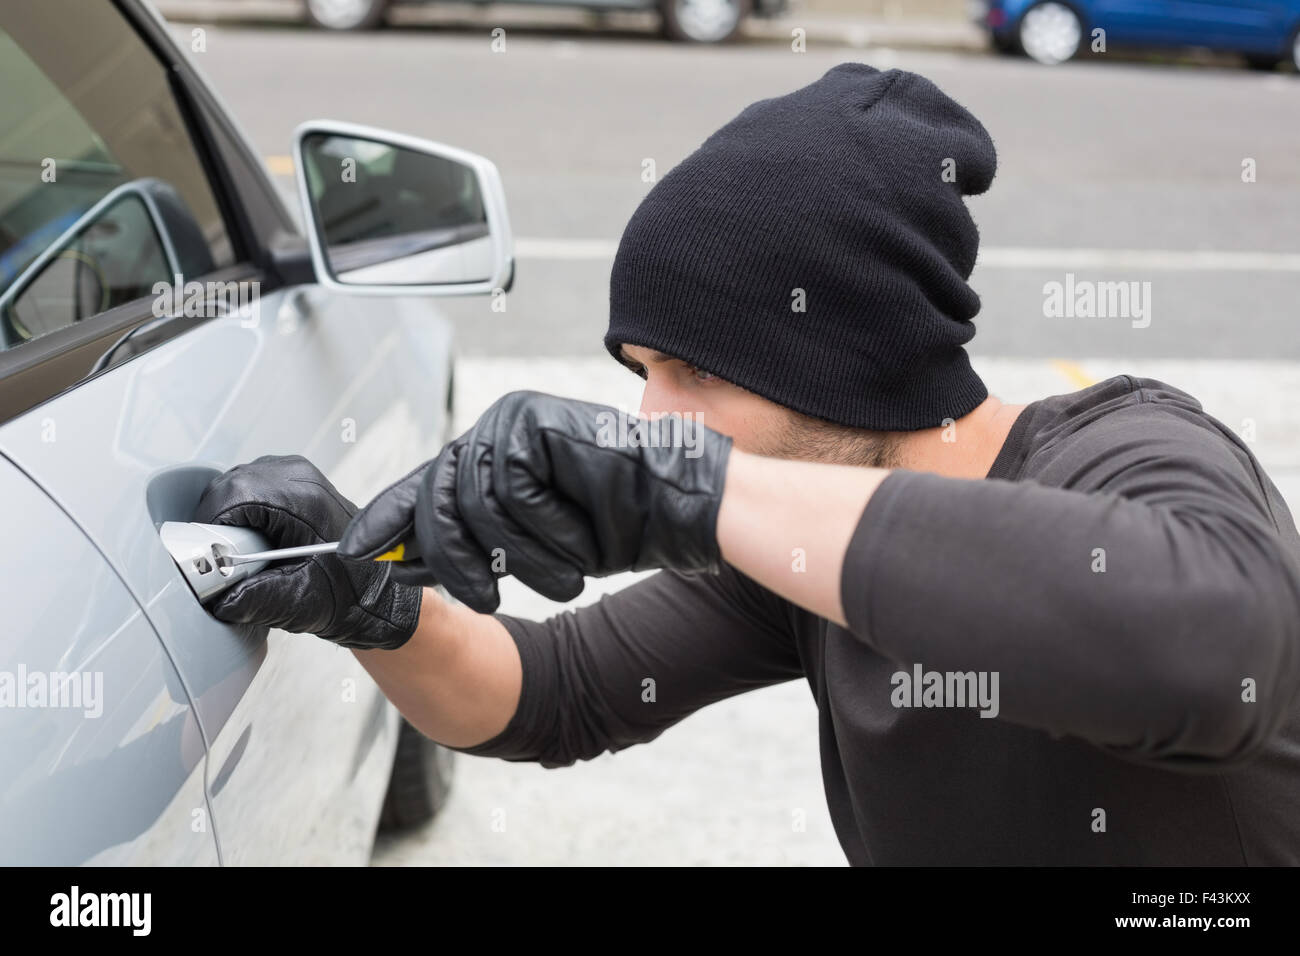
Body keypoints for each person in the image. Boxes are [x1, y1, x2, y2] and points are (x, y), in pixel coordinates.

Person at [194, 63, 1300, 865]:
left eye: (693, 372)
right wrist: (372, 602)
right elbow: (549, 694)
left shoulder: (1132, 451)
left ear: (848, 355)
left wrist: (697, 487)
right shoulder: (799, 550)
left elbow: (1208, 651)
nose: (651, 414)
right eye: (639, 370)